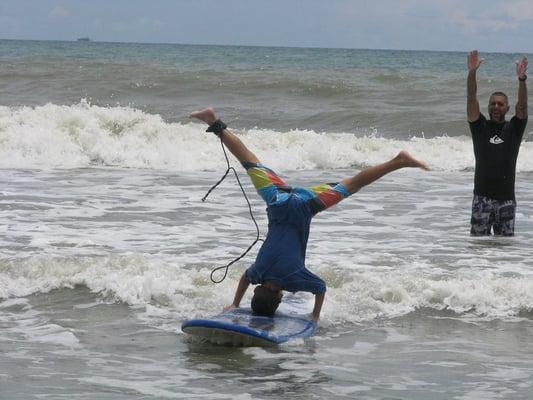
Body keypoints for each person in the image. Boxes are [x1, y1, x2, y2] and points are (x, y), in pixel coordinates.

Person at [190, 107, 429, 320]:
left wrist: (314, 316)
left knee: (352, 184)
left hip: (307, 204)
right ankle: (213, 121)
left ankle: (398, 162)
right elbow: (245, 278)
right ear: (259, 288)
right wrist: (235, 303)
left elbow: (321, 288)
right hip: (278, 198)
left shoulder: (294, 278)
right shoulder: (259, 271)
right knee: (249, 160)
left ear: (279, 297)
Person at [467, 50, 528, 236]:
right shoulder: (480, 126)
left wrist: (522, 80)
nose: (496, 107)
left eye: (500, 104)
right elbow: (471, 99)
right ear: (488, 107)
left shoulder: (514, 129)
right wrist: (472, 73)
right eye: (493, 104)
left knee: (505, 253)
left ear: (507, 108)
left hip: (506, 200)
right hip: (482, 199)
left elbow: (523, 107)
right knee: (478, 248)